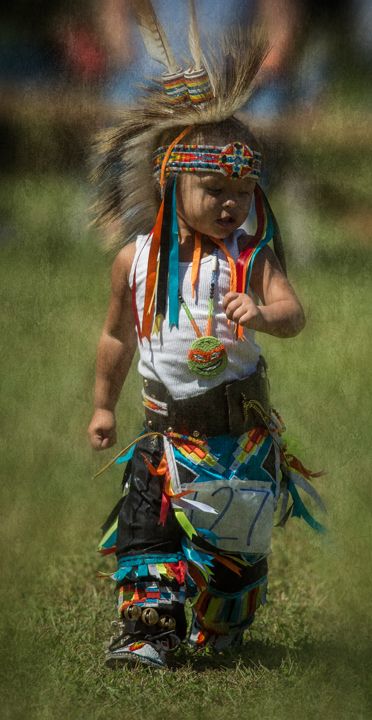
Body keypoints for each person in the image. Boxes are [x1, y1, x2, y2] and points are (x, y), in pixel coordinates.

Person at [88, 3, 325, 670]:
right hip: (166, 437)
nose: (230, 202)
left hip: (236, 443)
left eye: (243, 190)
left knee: (233, 565)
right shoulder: (136, 261)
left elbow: (294, 315)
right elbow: (115, 338)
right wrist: (105, 405)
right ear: (169, 181)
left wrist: (264, 312)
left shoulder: (253, 257)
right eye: (213, 187)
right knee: (146, 531)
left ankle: (221, 622)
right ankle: (147, 628)